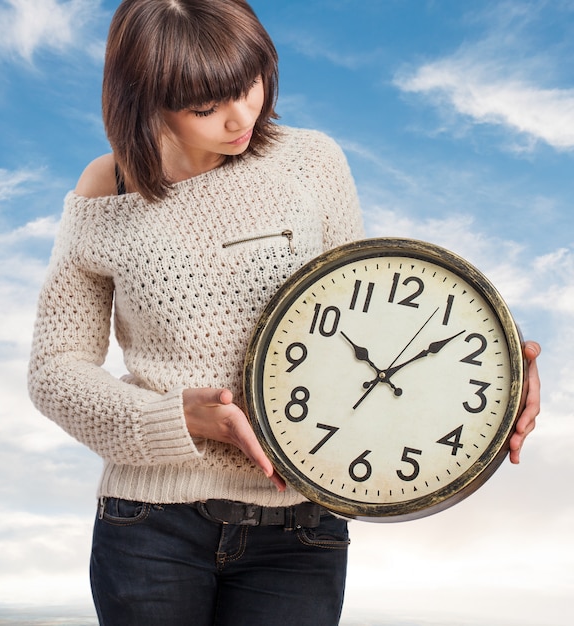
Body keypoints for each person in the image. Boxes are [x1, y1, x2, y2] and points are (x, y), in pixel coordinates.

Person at [27, 1, 541, 624]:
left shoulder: (311, 162)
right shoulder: (105, 191)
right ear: (144, 100)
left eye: (249, 84)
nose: (241, 117)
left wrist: (492, 374)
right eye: (204, 106)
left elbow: (362, 320)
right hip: (150, 528)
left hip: (300, 532)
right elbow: (55, 371)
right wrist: (174, 419)